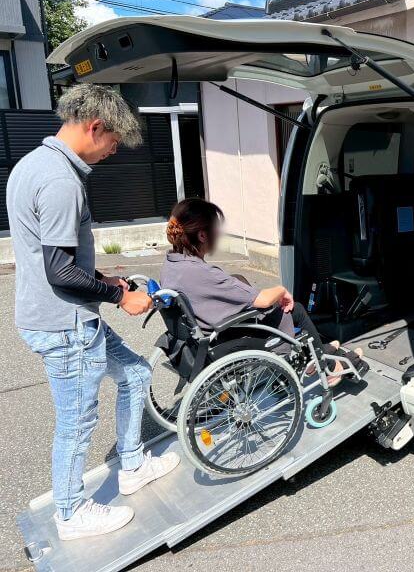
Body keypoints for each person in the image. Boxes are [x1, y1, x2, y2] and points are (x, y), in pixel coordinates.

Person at [7, 84, 180, 541]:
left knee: (137, 374)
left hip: (65, 315)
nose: (113, 151)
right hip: (65, 325)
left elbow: (54, 253)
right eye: (113, 141)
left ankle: (133, 465)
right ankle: (70, 514)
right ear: (94, 126)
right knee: (77, 422)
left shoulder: (33, 164)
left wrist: (107, 278)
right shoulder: (61, 180)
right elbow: (61, 271)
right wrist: (121, 297)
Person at [159, 198, 366, 384]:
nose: (219, 233)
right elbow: (263, 300)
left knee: (244, 283)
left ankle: (319, 352)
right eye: (216, 228)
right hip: (225, 338)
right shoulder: (203, 273)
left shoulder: (172, 264)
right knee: (296, 311)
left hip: (202, 337)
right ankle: (328, 368)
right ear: (203, 235)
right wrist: (282, 290)